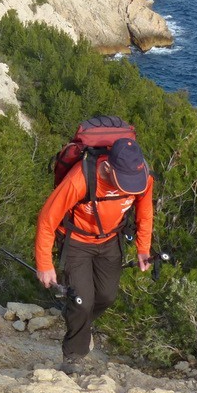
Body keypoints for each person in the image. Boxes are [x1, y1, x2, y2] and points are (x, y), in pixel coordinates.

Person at [35, 136, 154, 375]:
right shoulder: (80, 178)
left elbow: (145, 212)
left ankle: (81, 325)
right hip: (77, 243)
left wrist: (143, 249)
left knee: (107, 296)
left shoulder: (142, 178)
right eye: (123, 182)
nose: (127, 188)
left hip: (111, 240)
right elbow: (47, 219)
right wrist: (44, 263)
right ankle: (73, 357)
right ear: (108, 167)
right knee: (81, 301)